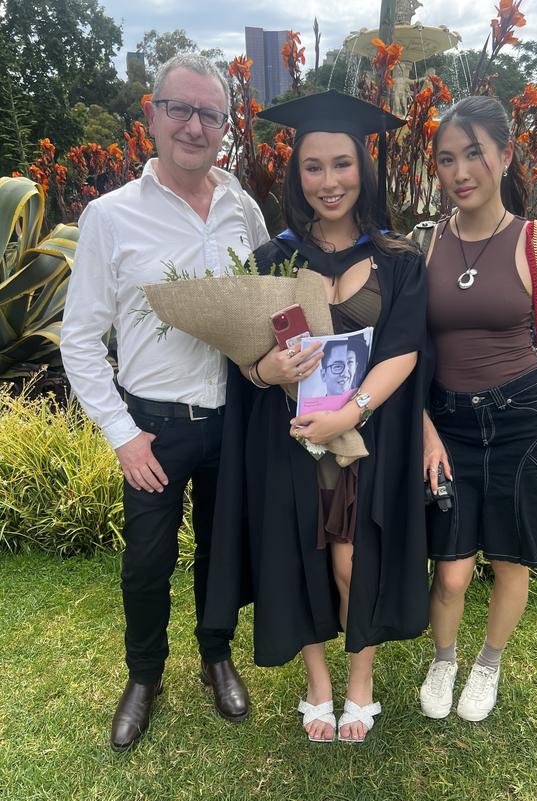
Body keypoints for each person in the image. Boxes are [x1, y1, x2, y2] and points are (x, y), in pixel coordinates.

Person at [204, 90, 430, 743]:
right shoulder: (271, 260)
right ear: (296, 175)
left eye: (341, 163)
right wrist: (264, 370)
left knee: (354, 563)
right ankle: (319, 684)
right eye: (313, 166)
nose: (329, 181)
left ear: (363, 166)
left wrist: (350, 413)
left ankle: (360, 681)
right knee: (297, 555)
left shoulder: (397, 260)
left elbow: (405, 351)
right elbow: (249, 358)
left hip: (365, 439)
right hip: (292, 441)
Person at [61, 54, 269, 752]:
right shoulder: (109, 216)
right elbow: (81, 339)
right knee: (146, 562)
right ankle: (144, 674)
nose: (194, 125)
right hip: (152, 424)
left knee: (220, 550)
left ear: (224, 128)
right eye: (180, 108)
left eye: (210, 114)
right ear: (152, 114)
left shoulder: (244, 207)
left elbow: (272, 303)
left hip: (231, 417)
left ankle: (215, 656)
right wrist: (122, 434)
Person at [419, 95, 537, 723]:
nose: (460, 172)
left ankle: (487, 664)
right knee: (452, 570)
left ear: (505, 155)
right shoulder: (427, 246)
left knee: (512, 558)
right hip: (451, 425)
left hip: (525, 418)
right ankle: (444, 658)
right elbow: (413, 348)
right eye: (446, 159)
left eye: (474, 155)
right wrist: (425, 426)